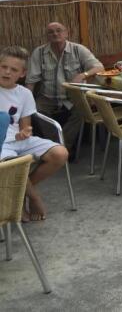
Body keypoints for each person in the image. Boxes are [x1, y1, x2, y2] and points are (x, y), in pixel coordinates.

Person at [0, 46, 69, 222]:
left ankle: (20, 194)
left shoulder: (24, 93)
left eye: (13, 69)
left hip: (19, 140)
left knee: (60, 154)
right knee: (13, 165)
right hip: (2, 144)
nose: (7, 72)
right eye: (3, 67)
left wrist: (24, 133)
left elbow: (25, 127)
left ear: (22, 73)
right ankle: (34, 197)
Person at [25, 22, 104, 153]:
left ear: (66, 33)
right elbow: (31, 80)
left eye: (58, 30)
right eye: (51, 32)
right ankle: (55, 145)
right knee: (36, 112)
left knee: (82, 111)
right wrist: (26, 102)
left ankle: (62, 147)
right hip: (48, 97)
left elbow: (99, 67)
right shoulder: (39, 53)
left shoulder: (78, 49)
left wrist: (83, 75)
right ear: (47, 36)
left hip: (74, 96)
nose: (55, 34)